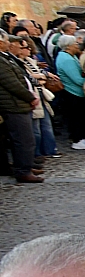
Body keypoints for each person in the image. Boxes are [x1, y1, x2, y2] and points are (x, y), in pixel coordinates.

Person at [0, 33, 40, 181]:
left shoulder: (5, 58)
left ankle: (24, 166)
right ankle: (23, 170)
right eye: (6, 41)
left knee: (23, 139)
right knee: (23, 139)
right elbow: (12, 83)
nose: (9, 44)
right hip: (13, 105)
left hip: (17, 103)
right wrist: (30, 97)